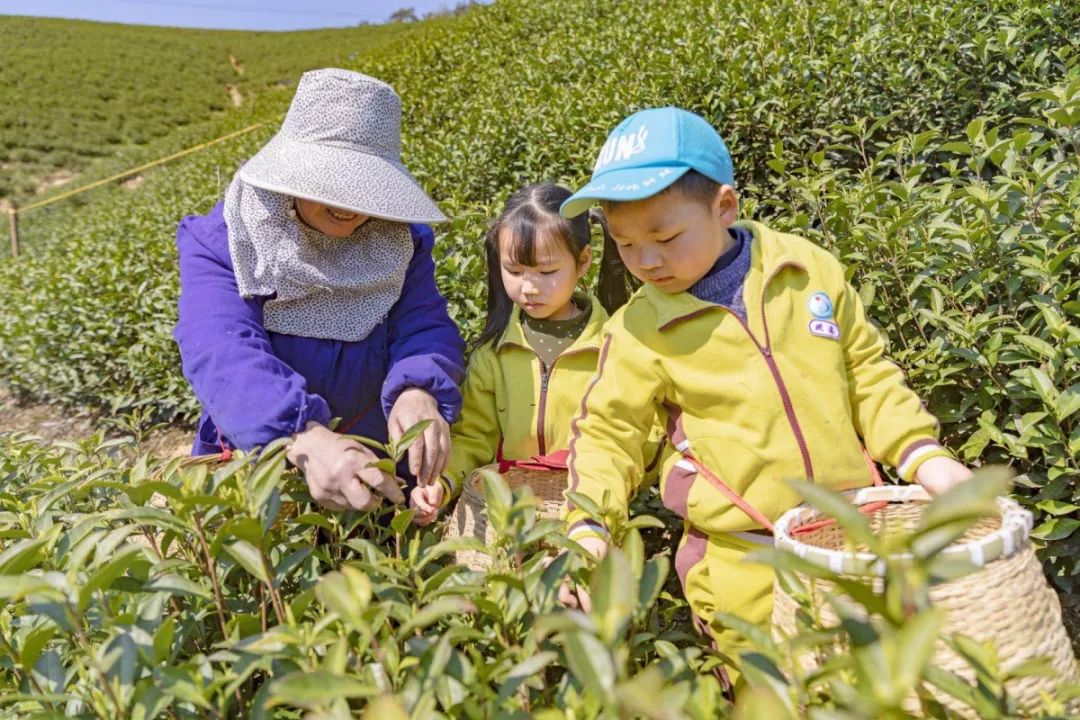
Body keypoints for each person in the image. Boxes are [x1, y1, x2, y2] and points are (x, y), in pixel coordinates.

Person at [556, 107, 973, 660]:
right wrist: (587, 529)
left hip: (856, 543)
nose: (646, 260)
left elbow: (867, 376)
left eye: (665, 235)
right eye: (626, 244)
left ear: (723, 207)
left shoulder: (806, 270)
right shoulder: (638, 329)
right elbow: (609, 435)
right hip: (743, 570)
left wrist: (925, 457)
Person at [173, 68, 465, 513]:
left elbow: (424, 325)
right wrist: (302, 435)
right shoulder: (225, 240)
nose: (349, 207)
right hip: (264, 465)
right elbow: (222, 351)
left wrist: (418, 388)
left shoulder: (401, 243)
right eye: (329, 185)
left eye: (364, 189)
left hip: (375, 472)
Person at [409, 183, 660, 523]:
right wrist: (441, 482)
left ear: (582, 261)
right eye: (514, 271)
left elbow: (637, 433)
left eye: (546, 272)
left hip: (589, 511)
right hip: (507, 517)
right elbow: (473, 437)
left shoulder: (615, 344)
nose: (528, 287)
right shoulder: (494, 353)